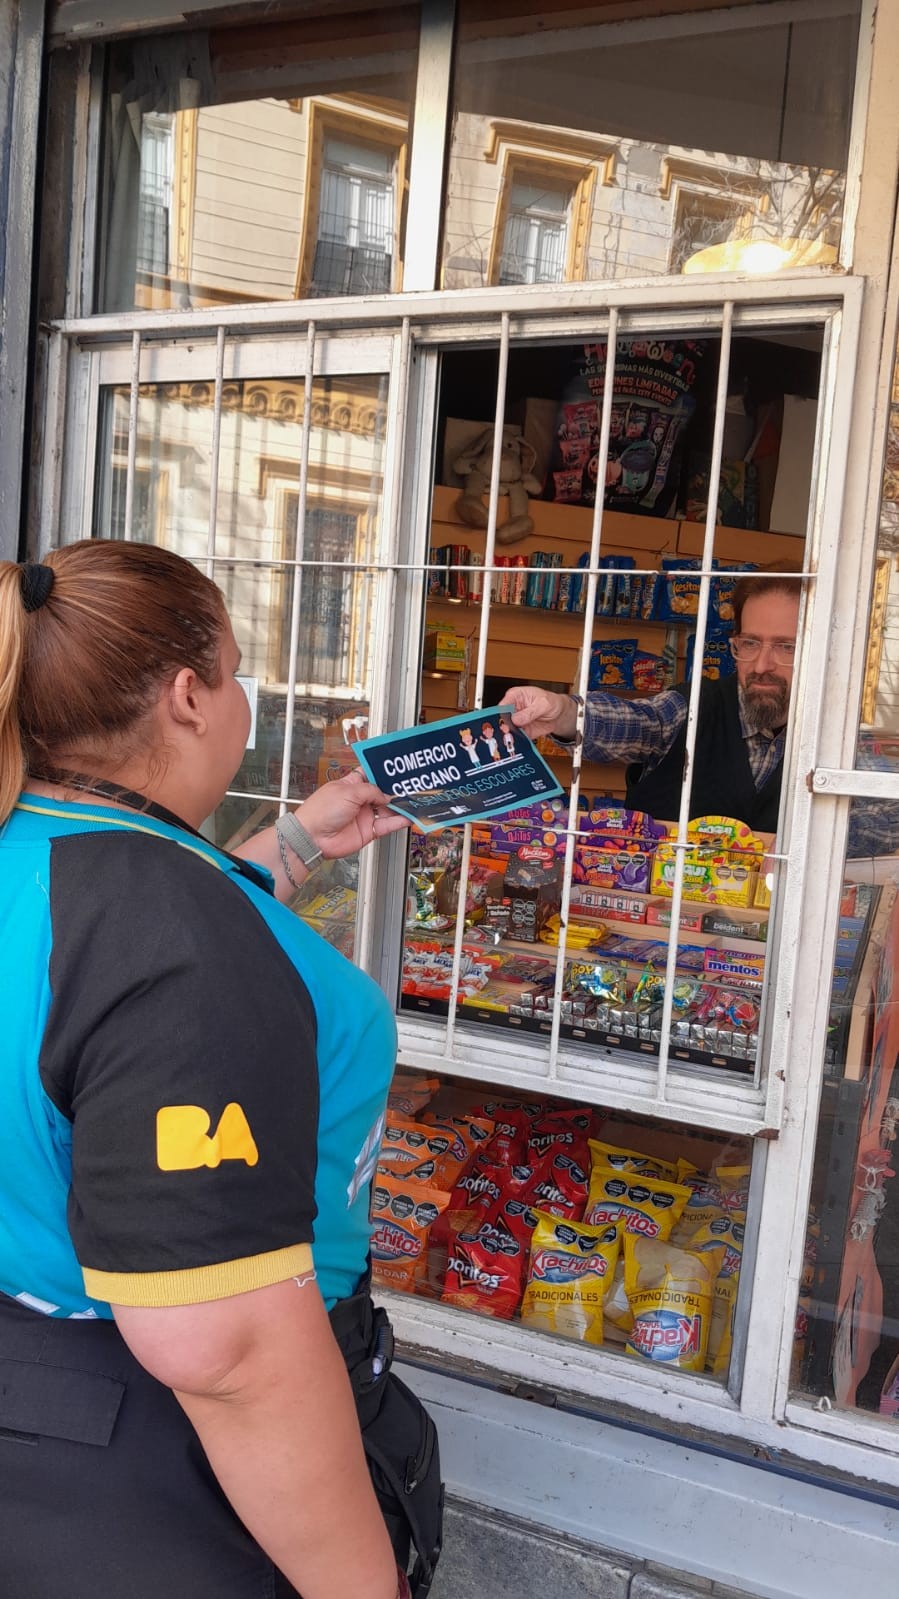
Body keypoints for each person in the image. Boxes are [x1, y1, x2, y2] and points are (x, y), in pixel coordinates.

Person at [0, 541, 442, 1599]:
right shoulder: (169, 934)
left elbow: (91, 974)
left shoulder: (44, 852)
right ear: (189, 699)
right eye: (239, 672)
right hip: (154, 1468)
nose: (245, 700)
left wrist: (293, 844)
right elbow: (227, 1353)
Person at [506, 573, 801, 830]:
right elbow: (642, 722)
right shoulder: (694, 707)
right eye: (750, 643)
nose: (762, 665)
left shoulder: (837, 747)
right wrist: (565, 712)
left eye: (786, 647)